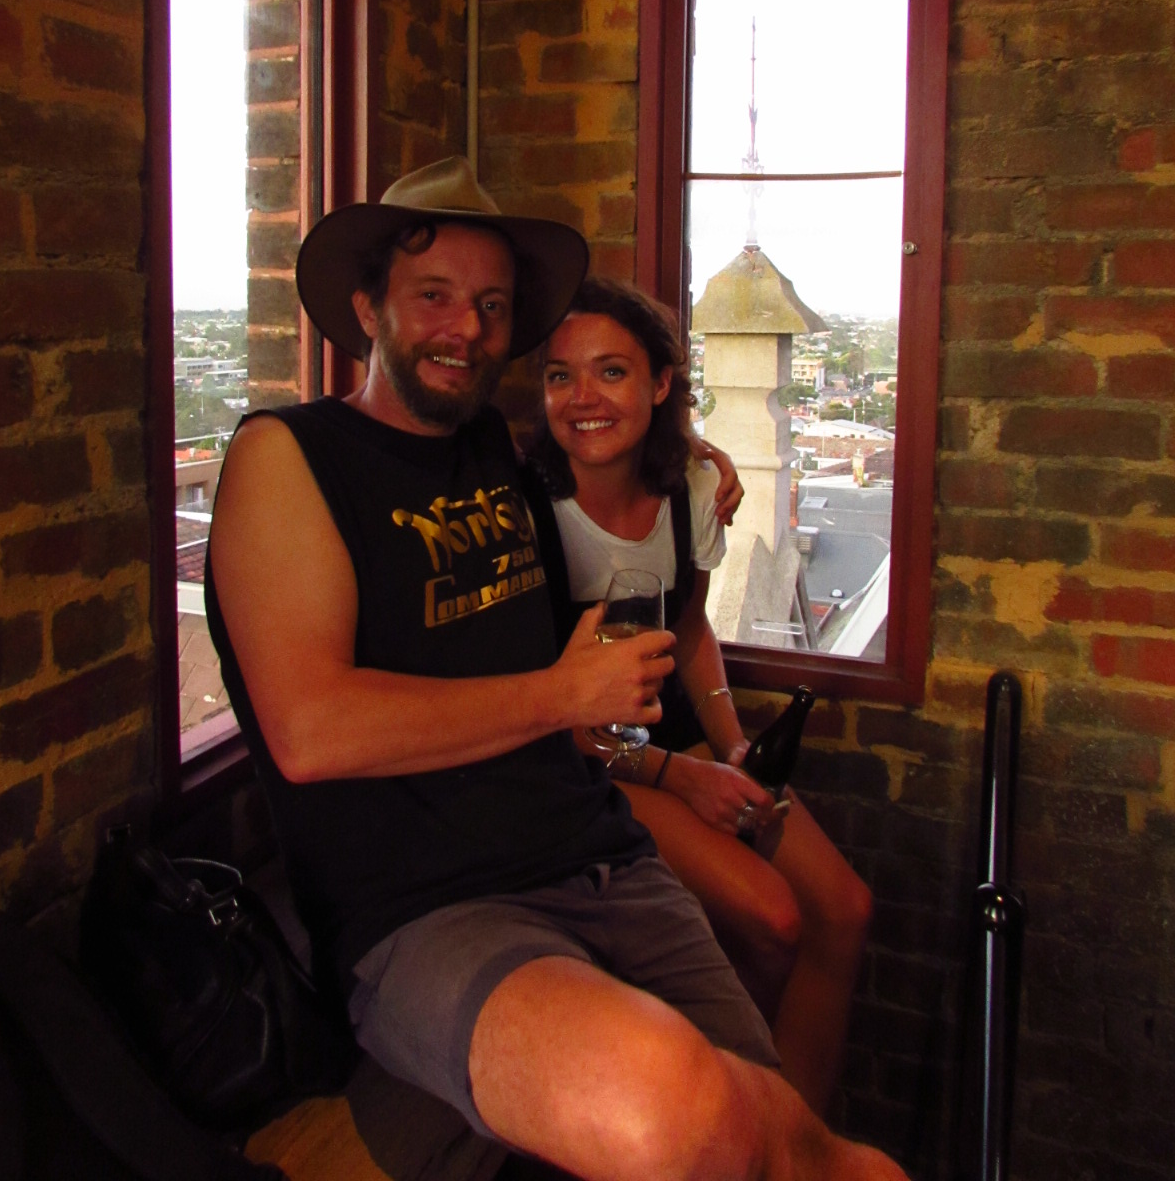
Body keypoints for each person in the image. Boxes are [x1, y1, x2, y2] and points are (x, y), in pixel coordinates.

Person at [206, 155, 908, 1181]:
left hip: (603, 857)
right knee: (692, 1116)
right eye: (434, 295)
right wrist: (560, 697)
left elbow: (615, 468)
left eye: (491, 306)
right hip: (432, 910)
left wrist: (698, 456)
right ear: (366, 308)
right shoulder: (290, 453)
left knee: (794, 1150)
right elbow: (310, 732)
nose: (466, 327)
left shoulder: (492, 446)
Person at [525, 276, 872, 1116]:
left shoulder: (690, 488)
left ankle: (797, 1135)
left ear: (660, 385)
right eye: (561, 376)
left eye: (611, 372)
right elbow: (538, 708)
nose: (583, 397)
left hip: (672, 739)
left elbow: (691, 631)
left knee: (844, 909)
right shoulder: (523, 508)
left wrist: (732, 744)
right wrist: (685, 777)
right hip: (585, 763)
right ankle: (745, 1127)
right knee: (774, 919)